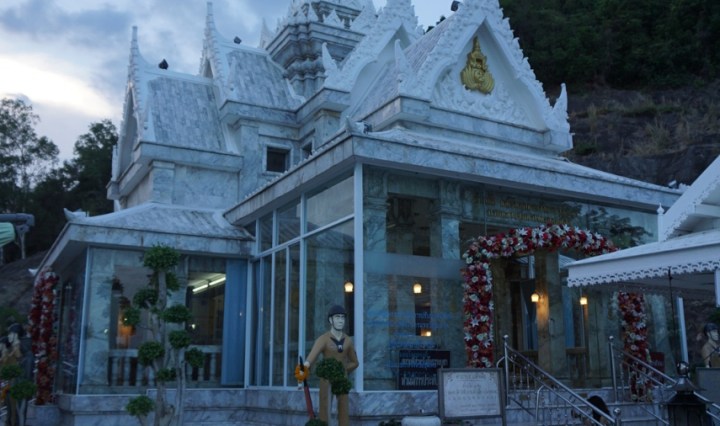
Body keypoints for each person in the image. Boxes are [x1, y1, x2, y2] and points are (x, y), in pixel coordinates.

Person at [304, 305, 358, 426]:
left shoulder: (347, 340)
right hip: (326, 379)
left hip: (342, 379)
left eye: (342, 317)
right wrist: (305, 367)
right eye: (337, 317)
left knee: (343, 408)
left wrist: (343, 370)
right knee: (325, 407)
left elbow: (355, 362)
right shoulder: (324, 339)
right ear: (330, 320)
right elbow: (312, 356)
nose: (340, 320)